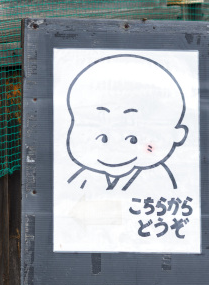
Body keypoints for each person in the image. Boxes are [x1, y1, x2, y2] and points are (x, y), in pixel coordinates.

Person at [65, 54, 189, 191]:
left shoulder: (158, 180)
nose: (115, 147)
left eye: (132, 139)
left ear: (177, 134)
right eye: (103, 136)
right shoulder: (82, 179)